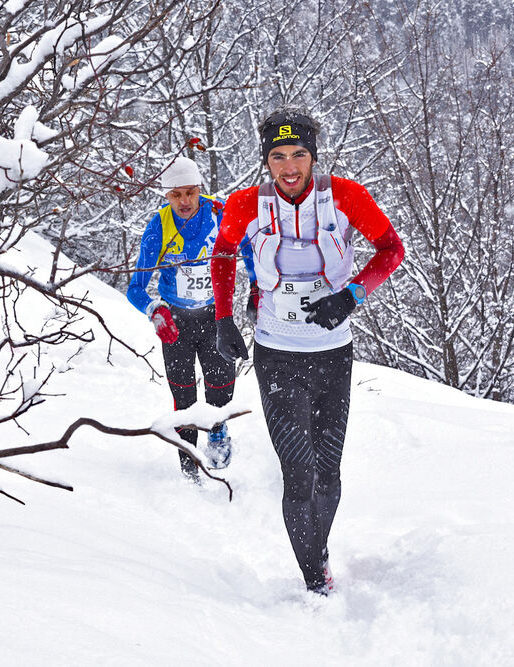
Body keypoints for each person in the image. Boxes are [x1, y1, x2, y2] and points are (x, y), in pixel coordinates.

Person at [210, 107, 404, 594]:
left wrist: (352, 296)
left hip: (333, 354)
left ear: (313, 157)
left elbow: (391, 250)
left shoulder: (346, 197)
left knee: (328, 473)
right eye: (278, 156)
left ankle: (319, 547)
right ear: (266, 160)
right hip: (275, 354)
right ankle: (314, 575)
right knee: (298, 476)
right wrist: (222, 317)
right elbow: (222, 254)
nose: (290, 166)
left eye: (299, 154)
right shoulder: (243, 205)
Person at [127, 156, 256, 484]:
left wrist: (256, 285)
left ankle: (216, 429)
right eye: (175, 195)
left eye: (190, 192)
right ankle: (189, 463)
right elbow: (135, 288)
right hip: (177, 323)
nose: (184, 201)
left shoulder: (218, 213)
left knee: (220, 386)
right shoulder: (159, 226)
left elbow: (249, 247)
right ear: (166, 197)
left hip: (215, 316)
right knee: (183, 396)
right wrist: (155, 311)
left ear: (200, 189)